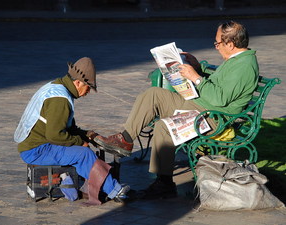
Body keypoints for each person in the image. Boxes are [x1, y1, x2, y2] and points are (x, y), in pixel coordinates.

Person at [94, 21, 259, 199]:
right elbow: (221, 84)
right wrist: (198, 68)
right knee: (153, 94)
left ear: (231, 44)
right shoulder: (237, 60)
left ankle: (164, 183)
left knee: (164, 127)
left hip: (214, 117)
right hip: (202, 106)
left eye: (217, 43)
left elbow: (219, 98)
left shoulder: (244, 66)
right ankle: (125, 140)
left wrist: (195, 78)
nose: (216, 47)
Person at [14, 57, 131, 204]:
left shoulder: (57, 86)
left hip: (35, 145)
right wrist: (79, 142)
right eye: (87, 87)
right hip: (36, 150)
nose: (88, 91)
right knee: (84, 155)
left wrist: (87, 135)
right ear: (77, 83)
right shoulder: (60, 100)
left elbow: (67, 128)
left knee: (81, 151)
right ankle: (116, 191)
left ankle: (96, 182)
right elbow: (54, 135)